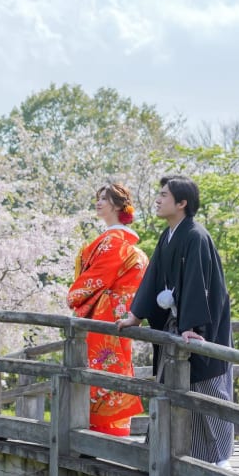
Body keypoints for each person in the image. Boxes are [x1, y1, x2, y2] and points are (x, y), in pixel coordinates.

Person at [116, 174, 234, 466]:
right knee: (174, 385)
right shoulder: (168, 236)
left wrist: (192, 326)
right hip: (177, 325)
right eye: (159, 194)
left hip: (201, 327)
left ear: (182, 203)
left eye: (165, 195)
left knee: (207, 388)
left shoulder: (196, 236)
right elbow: (153, 277)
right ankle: (178, 454)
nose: (157, 199)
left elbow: (198, 284)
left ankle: (221, 459)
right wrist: (135, 315)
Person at [67, 183, 149, 436]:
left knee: (97, 368)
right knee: (112, 368)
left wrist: (74, 296)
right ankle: (112, 431)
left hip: (104, 314)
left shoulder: (112, 242)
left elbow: (94, 280)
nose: (99, 202)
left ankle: (96, 432)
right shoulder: (124, 243)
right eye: (98, 198)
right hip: (120, 314)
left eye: (105, 198)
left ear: (116, 205)